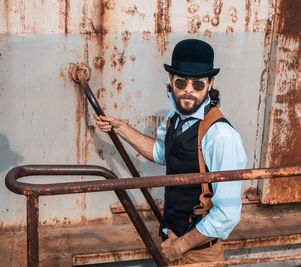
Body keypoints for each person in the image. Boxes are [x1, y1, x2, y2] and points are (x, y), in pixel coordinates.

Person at [94, 39, 247, 264]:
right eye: (182, 82)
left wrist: (180, 246)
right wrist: (122, 129)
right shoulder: (175, 117)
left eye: (197, 85)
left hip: (198, 254)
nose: (188, 91)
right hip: (171, 241)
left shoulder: (221, 136)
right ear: (171, 80)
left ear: (210, 83)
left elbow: (227, 215)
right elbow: (160, 153)